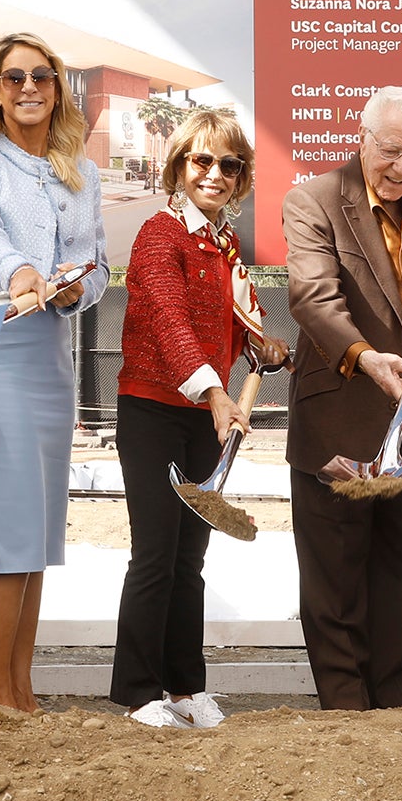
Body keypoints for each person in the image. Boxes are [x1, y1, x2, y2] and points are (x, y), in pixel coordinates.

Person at [283, 86, 402, 711]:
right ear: (361, 139)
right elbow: (312, 299)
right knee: (334, 575)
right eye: (390, 151)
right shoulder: (311, 200)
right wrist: (366, 358)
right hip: (339, 412)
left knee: (401, 573)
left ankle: (394, 713)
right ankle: (344, 713)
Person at [0, 31, 108, 712]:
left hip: (50, 348)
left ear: (58, 87)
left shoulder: (83, 171)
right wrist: (24, 273)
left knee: (38, 528)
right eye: (14, 78)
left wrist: (76, 291)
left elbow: (95, 262)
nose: (29, 87)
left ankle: (23, 690)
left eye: (42, 76)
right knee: (8, 523)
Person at [110, 110, 286, 728]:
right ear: (179, 166)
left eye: (229, 165)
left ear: (241, 178)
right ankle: (138, 692)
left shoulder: (224, 241)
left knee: (191, 557)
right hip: (154, 412)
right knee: (156, 553)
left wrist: (261, 343)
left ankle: (186, 687)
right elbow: (168, 319)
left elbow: (236, 314)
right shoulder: (159, 234)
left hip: (202, 417)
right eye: (201, 161)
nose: (215, 174)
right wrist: (216, 395)